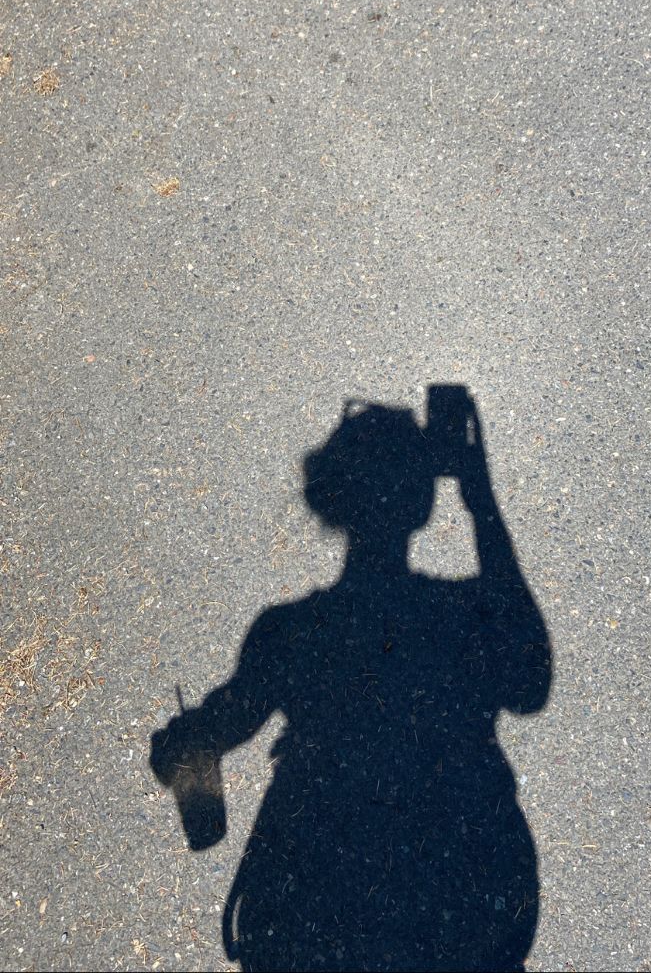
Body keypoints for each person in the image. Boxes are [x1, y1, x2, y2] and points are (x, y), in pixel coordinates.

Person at [150, 388, 552, 972]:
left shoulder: (288, 633)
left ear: (332, 500)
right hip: (461, 908)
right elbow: (530, 683)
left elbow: (209, 736)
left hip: (315, 911)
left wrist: (181, 751)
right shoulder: (464, 618)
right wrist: (481, 498)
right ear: (421, 503)